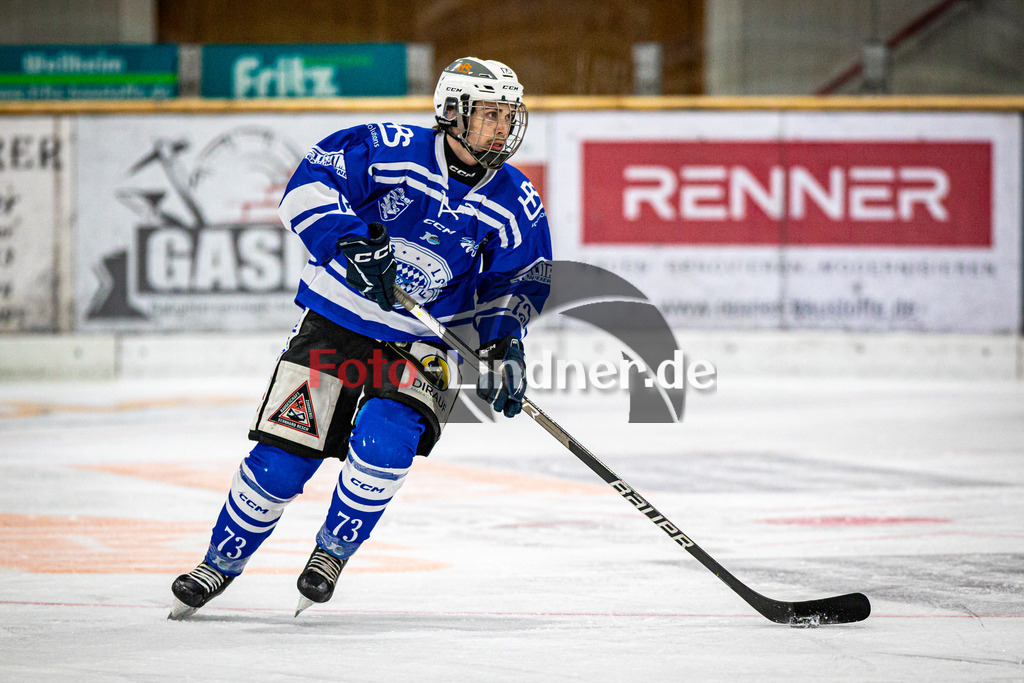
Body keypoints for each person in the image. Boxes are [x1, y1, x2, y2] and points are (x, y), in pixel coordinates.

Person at [169, 57, 552, 619]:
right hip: (335, 323)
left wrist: (503, 340)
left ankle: (332, 552)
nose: (501, 127)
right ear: (452, 112)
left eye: (507, 115)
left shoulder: (516, 200)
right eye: (489, 114)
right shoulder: (385, 147)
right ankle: (219, 563)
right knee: (281, 464)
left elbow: (519, 278)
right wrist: (351, 241)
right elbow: (305, 187)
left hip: (426, 343)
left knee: (384, 439)